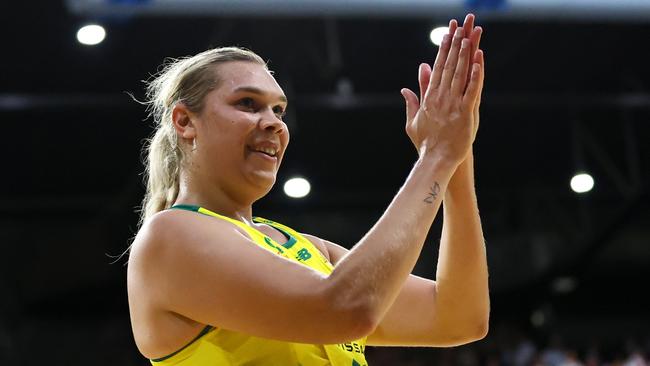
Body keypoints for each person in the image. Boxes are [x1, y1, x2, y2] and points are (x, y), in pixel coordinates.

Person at [127, 13, 489, 366]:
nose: (272, 123)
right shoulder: (171, 236)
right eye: (247, 104)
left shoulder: (307, 249)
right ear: (185, 121)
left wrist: (457, 154)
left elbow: (458, 317)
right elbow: (346, 308)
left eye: (279, 110)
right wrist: (435, 158)